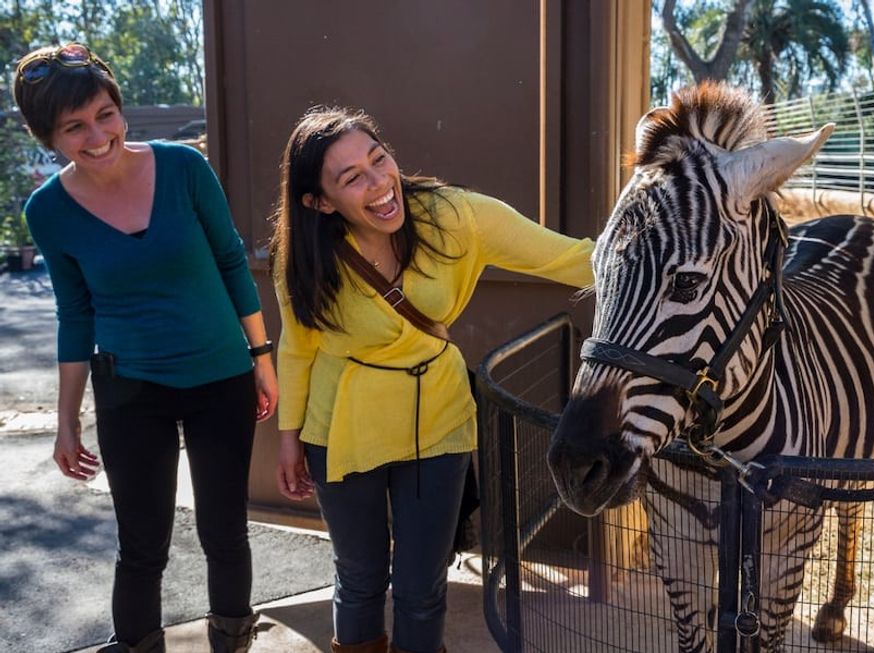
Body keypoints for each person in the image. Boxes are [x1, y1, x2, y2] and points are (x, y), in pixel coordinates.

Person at [270, 105, 593, 653]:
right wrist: (288, 438)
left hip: (435, 419)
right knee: (360, 578)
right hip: (343, 425)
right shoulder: (304, 257)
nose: (379, 183)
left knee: (422, 587)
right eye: (353, 178)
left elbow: (570, 258)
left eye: (379, 160)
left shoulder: (453, 216)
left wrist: (673, 260)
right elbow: (298, 350)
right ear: (319, 202)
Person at [14, 43, 278, 653]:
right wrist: (65, 422)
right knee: (141, 544)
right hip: (130, 388)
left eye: (105, 113)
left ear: (118, 107)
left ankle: (233, 640)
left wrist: (261, 360)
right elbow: (75, 314)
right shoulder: (48, 211)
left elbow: (232, 261)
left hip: (220, 377)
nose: (97, 135)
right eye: (74, 127)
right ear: (49, 136)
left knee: (223, 530)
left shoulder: (185, 168)